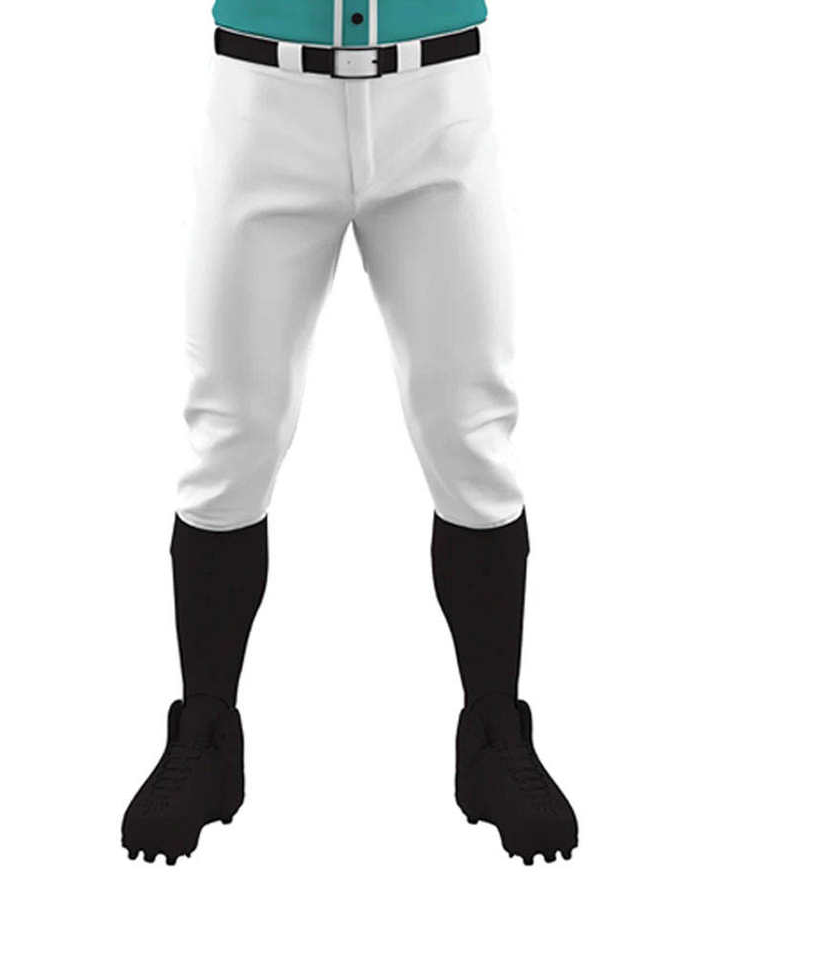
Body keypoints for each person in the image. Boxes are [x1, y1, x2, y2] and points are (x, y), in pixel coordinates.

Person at [122, 1, 578, 866]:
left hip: (435, 88)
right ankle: (205, 735)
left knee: (470, 424)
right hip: (265, 87)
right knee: (231, 426)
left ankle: (494, 734)